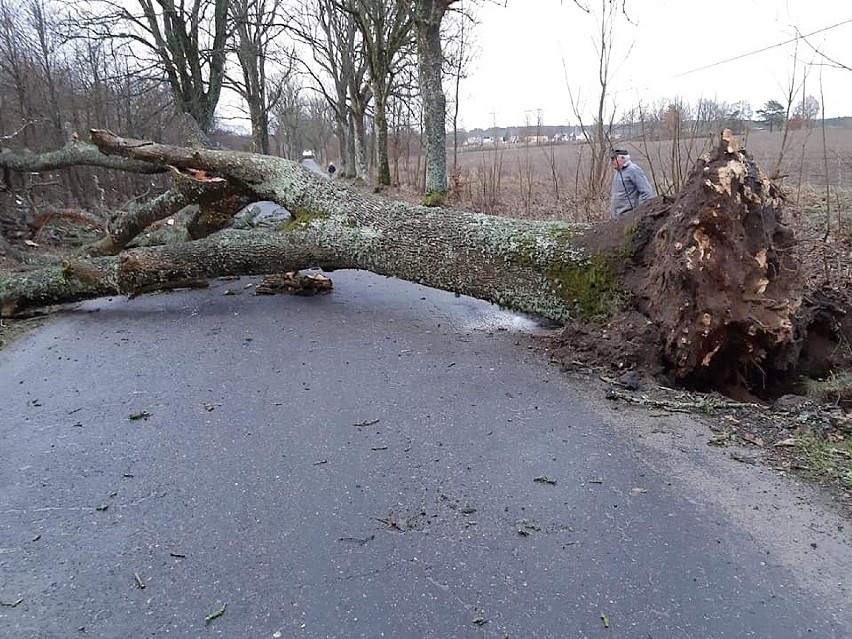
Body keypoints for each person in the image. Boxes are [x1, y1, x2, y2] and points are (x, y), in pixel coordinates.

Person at [609, 148, 653, 220]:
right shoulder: (618, 171)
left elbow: (646, 191)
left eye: (613, 159)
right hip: (617, 217)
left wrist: (642, 212)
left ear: (623, 158)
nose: (611, 162)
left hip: (629, 216)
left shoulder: (633, 170)